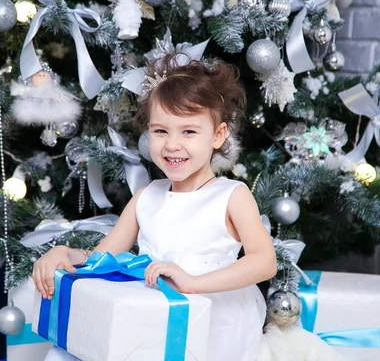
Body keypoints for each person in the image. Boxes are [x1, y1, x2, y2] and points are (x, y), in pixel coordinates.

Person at [33, 53, 279, 361]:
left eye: (189, 131)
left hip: (215, 321)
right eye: (161, 131)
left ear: (218, 135)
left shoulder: (231, 196)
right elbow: (103, 259)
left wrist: (194, 283)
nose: (172, 144)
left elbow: (264, 262)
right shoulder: (146, 197)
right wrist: (66, 253)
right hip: (152, 316)